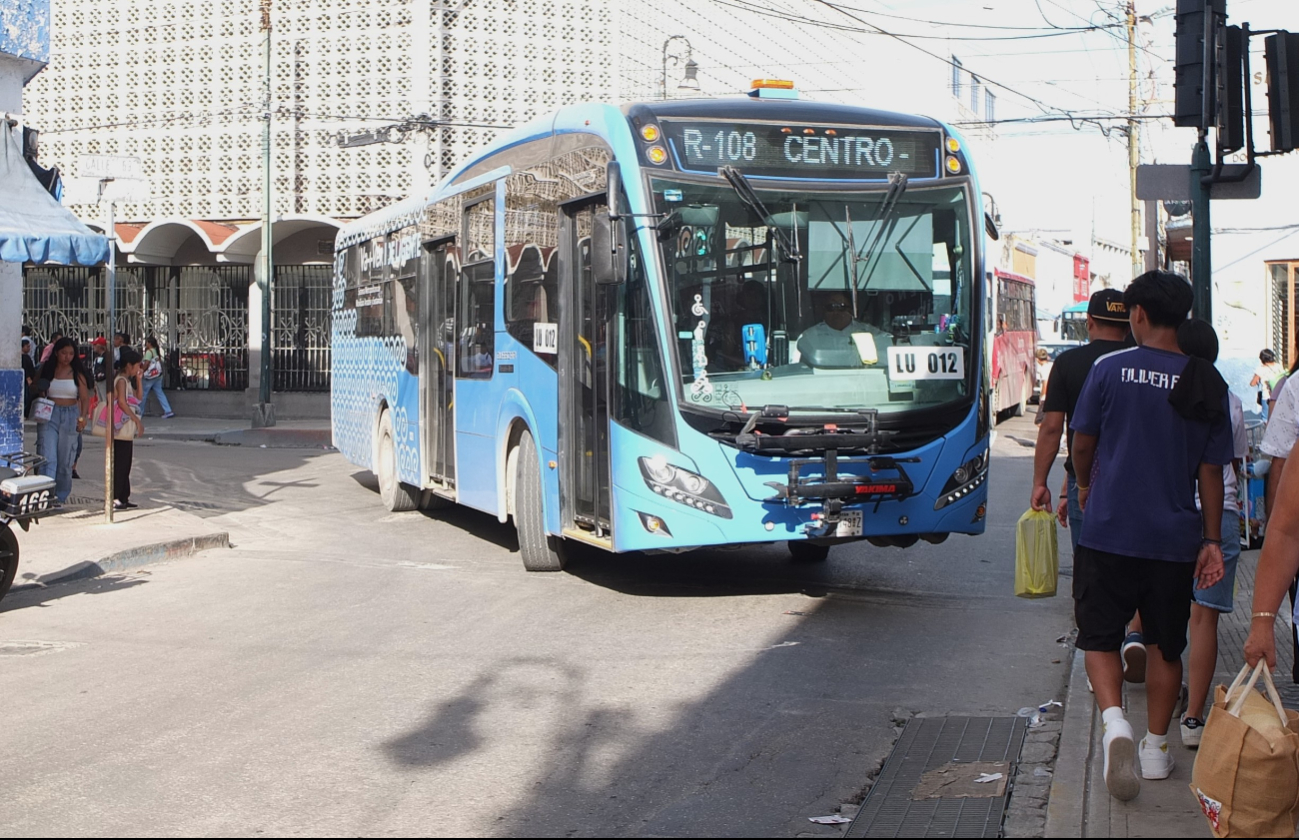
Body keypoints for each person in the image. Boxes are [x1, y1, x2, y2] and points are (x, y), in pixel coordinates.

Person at [1069, 270, 1232, 802]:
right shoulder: (1204, 380)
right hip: (1173, 536)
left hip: (1109, 528)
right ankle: (1157, 749)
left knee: (1098, 635)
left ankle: (1116, 722)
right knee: (1166, 645)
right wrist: (1210, 539)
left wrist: (1087, 486)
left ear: (1137, 315)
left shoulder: (1108, 367)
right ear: (1182, 316)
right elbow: (1212, 471)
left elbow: (1083, 442)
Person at [1174, 319, 1248, 748]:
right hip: (1223, 516)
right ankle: (1193, 717)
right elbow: (1232, 464)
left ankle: (1160, 714)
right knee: (1205, 619)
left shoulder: (1168, 396)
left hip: (1176, 510)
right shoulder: (1230, 399)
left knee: (1170, 609)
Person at [1030, 289, 1131, 551]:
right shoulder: (1140, 361)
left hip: (1084, 480)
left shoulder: (1067, 363)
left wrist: (1040, 483)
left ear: (1089, 321)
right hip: (1133, 479)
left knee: (1089, 567)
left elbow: (1052, 429)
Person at [35, 337, 92, 507]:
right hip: (49, 413)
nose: (67, 357)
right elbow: (37, 388)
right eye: (64, 353)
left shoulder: (77, 374)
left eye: (71, 354)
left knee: (65, 460)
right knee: (48, 457)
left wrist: (83, 417)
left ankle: (60, 496)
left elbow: (84, 398)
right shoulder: (48, 370)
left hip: (70, 415)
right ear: (56, 353)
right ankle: (46, 496)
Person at [795, 291, 890, 367]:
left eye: (842, 307)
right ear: (823, 311)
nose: (836, 312)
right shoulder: (810, 336)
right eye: (831, 307)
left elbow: (886, 356)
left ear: (851, 311)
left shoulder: (869, 333)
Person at [110, 347, 146, 510]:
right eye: (137, 365)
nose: (139, 368)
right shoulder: (121, 381)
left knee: (126, 462)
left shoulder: (127, 380)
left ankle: (124, 495)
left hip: (125, 427)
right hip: (120, 426)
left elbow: (138, 398)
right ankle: (116, 496)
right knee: (120, 462)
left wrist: (139, 380)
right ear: (129, 365)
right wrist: (136, 421)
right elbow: (123, 403)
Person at [140, 335, 175, 418]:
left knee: (143, 394)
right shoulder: (156, 351)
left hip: (150, 377)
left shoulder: (149, 352)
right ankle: (168, 410)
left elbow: (147, 363)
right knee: (160, 393)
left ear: (149, 343)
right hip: (158, 375)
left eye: (146, 342)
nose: (146, 344)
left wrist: (141, 371)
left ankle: (139, 412)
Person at [20, 337, 36, 418]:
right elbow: (25, 369)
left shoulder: (26, 356)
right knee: (26, 397)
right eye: (27, 346)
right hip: (27, 382)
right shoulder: (23, 357)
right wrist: (28, 379)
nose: (29, 348)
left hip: (29, 380)